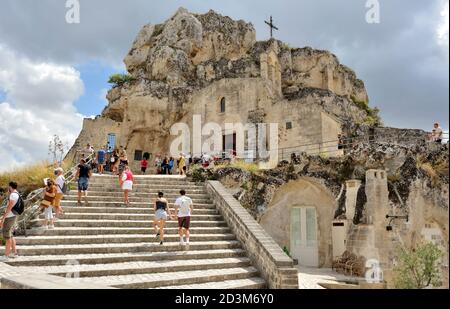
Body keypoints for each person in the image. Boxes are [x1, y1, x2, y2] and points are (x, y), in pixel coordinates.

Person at [0, 182, 20, 261]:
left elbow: (9, 207)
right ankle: (15, 253)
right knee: (10, 235)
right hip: (13, 216)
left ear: (10, 186)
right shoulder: (16, 193)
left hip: (9, 217)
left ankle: (6, 256)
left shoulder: (13, 195)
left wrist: (3, 218)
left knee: (7, 236)